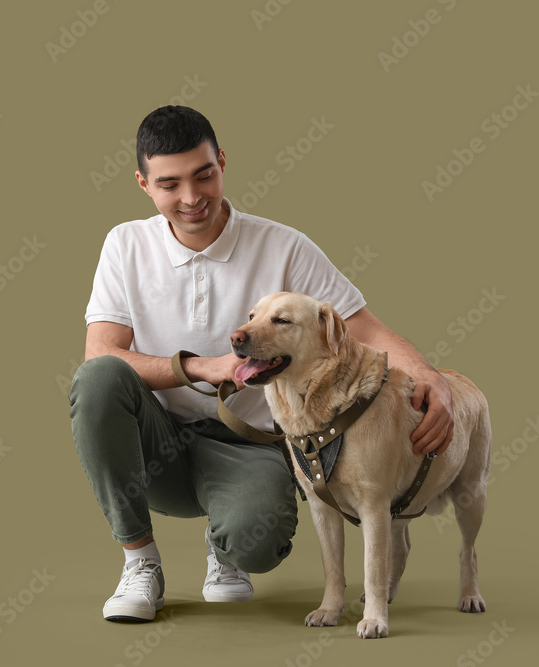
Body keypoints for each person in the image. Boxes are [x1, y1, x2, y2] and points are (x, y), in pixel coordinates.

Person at [70, 105, 455, 623]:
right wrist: (204, 368)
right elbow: (103, 353)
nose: (191, 198)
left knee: (259, 538)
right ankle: (140, 561)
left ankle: (226, 550)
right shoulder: (124, 244)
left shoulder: (284, 245)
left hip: (248, 446)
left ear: (222, 162)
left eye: (204, 175)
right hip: (153, 442)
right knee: (97, 380)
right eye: (169, 184)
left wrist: (432, 379)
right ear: (143, 183)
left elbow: (365, 329)